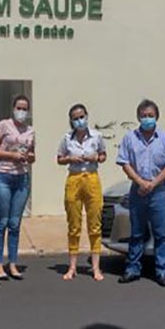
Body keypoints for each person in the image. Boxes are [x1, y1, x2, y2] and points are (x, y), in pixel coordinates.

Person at [116, 99, 165, 287]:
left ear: (157, 117)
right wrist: (140, 182)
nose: (147, 119)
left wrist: (153, 184)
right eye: (143, 116)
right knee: (136, 233)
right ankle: (133, 269)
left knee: (160, 234)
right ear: (138, 117)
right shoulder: (130, 138)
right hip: (137, 190)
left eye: (150, 115)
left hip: (158, 191)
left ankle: (161, 271)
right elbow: (124, 163)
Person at [56, 103, 107, 281]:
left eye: (82, 117)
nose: (79, 120)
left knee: (95, 223)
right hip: (74, 178)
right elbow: (59, 159)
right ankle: (72, 267)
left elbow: (103, 155)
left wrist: (96, 157)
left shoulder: (97, 136)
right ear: (71, 120)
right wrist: (70, 158)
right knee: (74, 224)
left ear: (87, 116)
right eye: (76, 118)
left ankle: (96, 267)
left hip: (92, 177)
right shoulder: (66, 138)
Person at [0, 95, 36, 280]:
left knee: (15, 224)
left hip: (22, 179)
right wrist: (11, 155)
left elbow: (33, 154)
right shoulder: (4, 125)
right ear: (13, 108)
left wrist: (29, 157)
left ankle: (13, 263)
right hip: (2, 176)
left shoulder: (31, 131)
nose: (21, 112)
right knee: (2, 222)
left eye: (25, 109)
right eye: (19, 107)